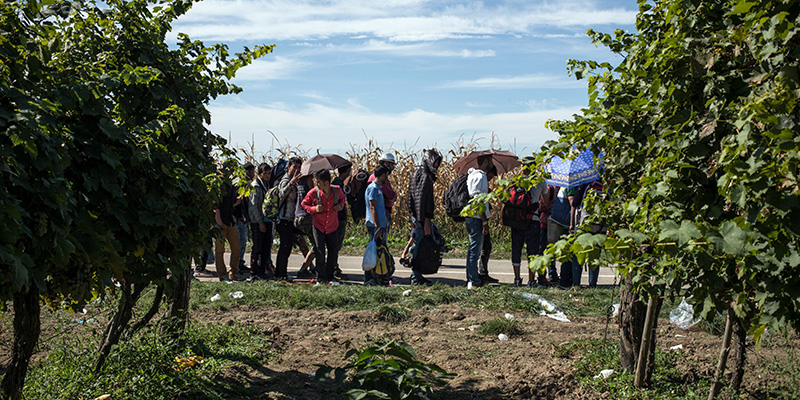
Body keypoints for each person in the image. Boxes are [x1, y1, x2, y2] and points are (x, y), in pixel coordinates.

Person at [508, 162, 550, 287]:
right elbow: (546, 203)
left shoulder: (516, 181)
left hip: (517, 220)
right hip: (533, 220)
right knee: (532, 252)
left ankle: (516, 279)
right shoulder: (540, 181)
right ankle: (531, 280)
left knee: (516, 249)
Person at [301, 169, 346, 285]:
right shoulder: (313, 193)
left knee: (333, 252)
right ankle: (321, 277)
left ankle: (330, 276)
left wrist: (340, 206)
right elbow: (304, 204)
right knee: (319, 251)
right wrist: (313, 209)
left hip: (332, 226)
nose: (316, 184)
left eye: (318, 182)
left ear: (326, 183)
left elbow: (342, 199)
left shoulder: (337, 191)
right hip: (318, 226)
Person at [407, 149, 442, 285]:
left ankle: (417, 275)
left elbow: (410, 196)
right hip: (422, 218)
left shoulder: (415, 174)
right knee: (421, 247)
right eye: (435, 163)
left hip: (416, 216)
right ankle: (416, 277)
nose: (436, 167)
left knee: (419, 246)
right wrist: (427, 220)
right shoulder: (426, 177)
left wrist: (411, 215)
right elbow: (425, 201)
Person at [464, 154, 493, 288]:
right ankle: (473, 280)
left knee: (473, 248)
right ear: (486, 161)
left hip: (472, 216)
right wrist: (484, 221)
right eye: (491, 160)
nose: (492, 163)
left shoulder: (473, 175)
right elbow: (477, 200)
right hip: (476, 217)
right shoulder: (480, 176)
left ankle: (472, 278)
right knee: (475, 250)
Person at [274, 157, 304, 281]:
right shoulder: (285, 179)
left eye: (298, 167)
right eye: (294, 167)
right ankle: (281, 275)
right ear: (289, 167)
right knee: (284, 247)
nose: (296, 169)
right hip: (283, 219)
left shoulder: (296, 181)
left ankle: (281, 273)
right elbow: (281, 194)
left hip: (291, 219)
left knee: (287, 247)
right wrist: (291, 182)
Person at [214, 163, 243, 282]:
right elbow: (216, 206)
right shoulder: (219, 185)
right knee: (220, 250)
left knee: (236, 248)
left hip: (230, 219)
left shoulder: (231, 185)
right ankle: (222, 274)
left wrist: (239, 200)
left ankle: (233, 272)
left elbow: (229, 204)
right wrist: (219, 223)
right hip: (220, 220)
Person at [364, 165, 391, 284]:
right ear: (382, 175)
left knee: (380, 251)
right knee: (374, 252)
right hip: (375, 225)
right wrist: (377, 226)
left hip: (379, 224)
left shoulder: (378, 188)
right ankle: (370, 278)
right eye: (386, 175)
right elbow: (372, 206)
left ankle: (379, 276)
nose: (387, 178)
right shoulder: (373, 188)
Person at [247, 162, 273, 281]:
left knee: (266, 247)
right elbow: (253, 206)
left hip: (268, 219)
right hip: (258, 221)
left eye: (269, 173)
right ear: (260, 174)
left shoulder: (268, 185)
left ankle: (262, 271)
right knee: (257, 247)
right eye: (265, 173)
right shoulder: (256, 186)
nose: (268, 175)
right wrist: (259, 222)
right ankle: (254, 272)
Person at [367, 152, 397, 233]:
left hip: (383, 214)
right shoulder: (377, 179)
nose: (392, 167)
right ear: (386, 163)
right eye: (391, 165)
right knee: (380, 243)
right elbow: (390, 196)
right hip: (380, 215)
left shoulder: (383, 178)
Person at [478, 166, 499, 284]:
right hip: (480, 219)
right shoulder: (480, 179)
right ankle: (480, 274)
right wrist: (484, 222)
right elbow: (479, 202)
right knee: (483, 247)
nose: (490, 179)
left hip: (481, 219)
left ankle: (482, 273)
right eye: (490, 176)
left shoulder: (482, 183)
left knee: (485, 247)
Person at [331, 164, 352, 280]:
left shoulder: (337, 181)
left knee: (335, 244)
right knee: (336, 244)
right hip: (339, 218)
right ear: (348, 170)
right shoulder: (339, 183)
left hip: (337, 217)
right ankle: (334, 267)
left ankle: (334, 266)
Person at [235, 162, 255, 274]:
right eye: (251, 171)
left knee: (243, 241)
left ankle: (240, 262)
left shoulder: (247, 184)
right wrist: (241, 216)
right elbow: (240, 202)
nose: (252, 173)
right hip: (240, 217)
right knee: (240, 241)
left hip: (244, 217)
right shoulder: (241, 185)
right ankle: (237, 264)